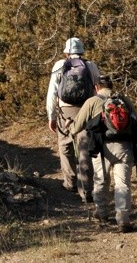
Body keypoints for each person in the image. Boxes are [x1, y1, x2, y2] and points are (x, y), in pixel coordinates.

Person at [73, 75, 137, 232]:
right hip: (124, 147)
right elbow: (136, 122)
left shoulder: (92, 101)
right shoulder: (124, 100)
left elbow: (77, 126)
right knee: (123, 184)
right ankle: (123, 219)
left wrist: (70, 128)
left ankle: (102, 213)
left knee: (101, 180)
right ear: (111, 86)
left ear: (96, 87)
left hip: (102, 149)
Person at [46, 37, 102, 201]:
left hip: (65, 112)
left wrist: (51, 116)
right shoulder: (90, 66)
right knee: (85, 148)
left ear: (66, 52)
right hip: (86, 110)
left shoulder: (59, 65)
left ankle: (70, 182)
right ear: (82, 51)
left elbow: (52, 93)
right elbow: (98, 89)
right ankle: (87, 189)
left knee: (65, 145)